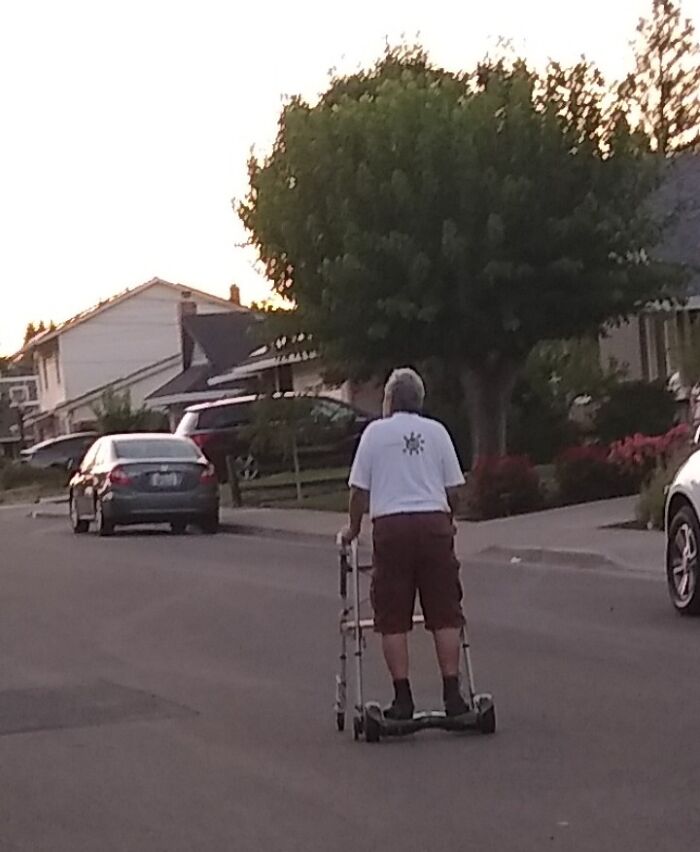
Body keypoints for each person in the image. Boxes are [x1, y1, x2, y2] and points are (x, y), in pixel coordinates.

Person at [340, 367, 469, 720]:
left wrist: (353, 529)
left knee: (393, 615)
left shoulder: (374, 434)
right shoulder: (437, 432)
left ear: (390, 400)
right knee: (444, 611)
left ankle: (403, 699)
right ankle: (453, 695)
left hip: (392, 527)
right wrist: (448, 520)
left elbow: (358, 492)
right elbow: (454, 491)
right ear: (420, 401)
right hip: (433, 523)